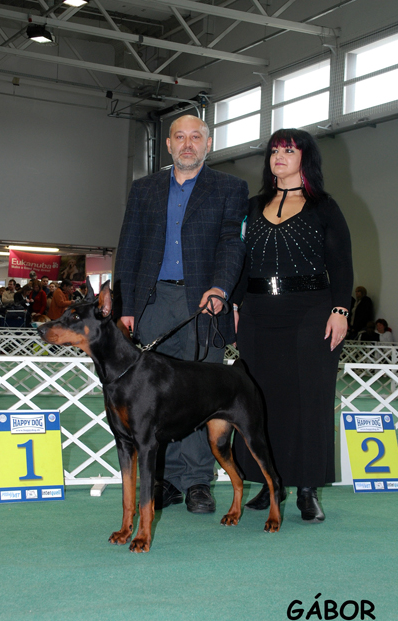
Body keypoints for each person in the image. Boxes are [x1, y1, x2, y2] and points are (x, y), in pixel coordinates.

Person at [113, 114, 248, 514]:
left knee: (200, 395)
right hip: (152, 303)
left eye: (196, 137)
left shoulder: (230, 188)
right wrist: (126, 307)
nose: (188, 144)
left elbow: (232, 243)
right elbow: (129, 247)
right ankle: (166, 480)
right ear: (168, 145)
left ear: (208, 143)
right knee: (154, 397)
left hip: (203, 303)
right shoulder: (144, 189)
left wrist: (220, 289)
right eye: (180, 137)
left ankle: (197, 481)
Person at [233, 128, 353, 523]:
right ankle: (269, 482)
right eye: (274, 151)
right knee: (258, 401)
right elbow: (241, 262)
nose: (279, 157)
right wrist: (234, 303)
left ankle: (307, 488)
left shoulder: (325, 208)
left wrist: (340, 310)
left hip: (310, 312)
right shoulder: (251, 208)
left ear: (306, 158)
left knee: (309, 401)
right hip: (256, 313)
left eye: (288, 150)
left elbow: (341, 264)